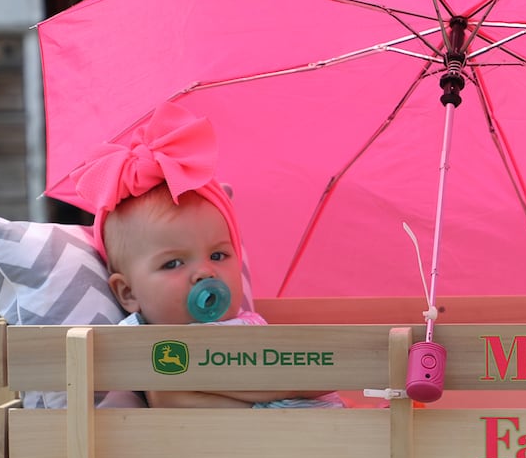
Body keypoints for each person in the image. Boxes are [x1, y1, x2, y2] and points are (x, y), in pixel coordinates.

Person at [73, 101, 341, 410]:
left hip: (321, 427)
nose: (204, 273)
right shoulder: (146, 344)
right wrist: (284, 385)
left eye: (218, 255)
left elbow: (312, 380)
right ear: (128, 292)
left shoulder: (247, 324)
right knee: (169, 392)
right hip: (253, 439)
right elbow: (168, 394)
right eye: (173, 263)